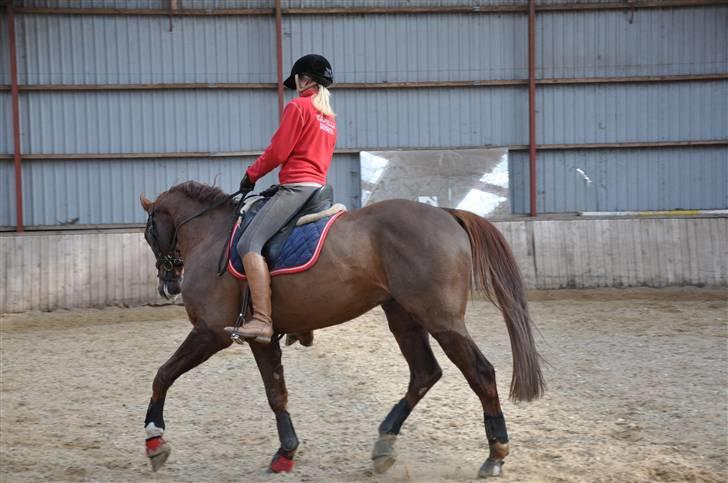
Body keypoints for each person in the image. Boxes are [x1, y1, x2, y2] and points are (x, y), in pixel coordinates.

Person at [226, 54, 337, 343]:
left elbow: (278, 151)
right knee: (285, 245)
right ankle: (302, 322)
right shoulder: (328, 119)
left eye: (297, 80)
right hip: (319, 189)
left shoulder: (298, 107)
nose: (296, 86)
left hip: (297, 187)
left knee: (249, 243)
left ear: (306, 80)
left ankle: (262, 320)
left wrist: (251, 175)